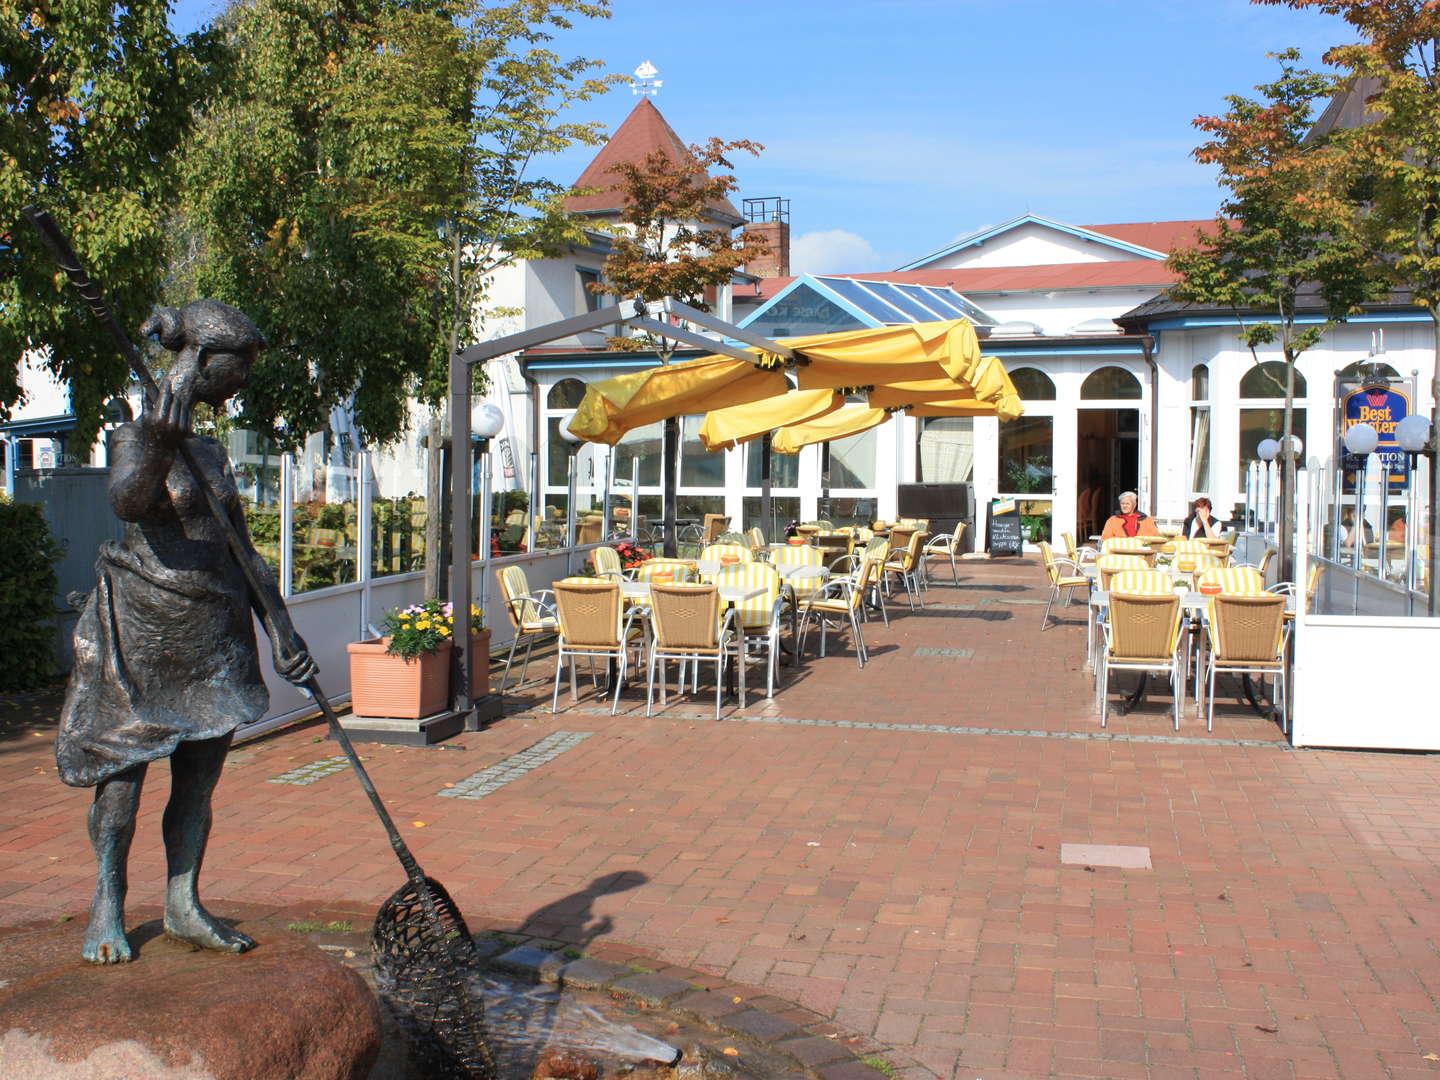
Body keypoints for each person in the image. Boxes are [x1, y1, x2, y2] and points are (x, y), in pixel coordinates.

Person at [56, 300, 315, 964]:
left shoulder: (210, 451)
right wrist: (160, 439)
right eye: (239, 366)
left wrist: (283, 630)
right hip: (142, 636)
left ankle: (182, 902)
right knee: (123, 784)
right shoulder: (140, 437)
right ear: (200, 360)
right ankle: (107, 903)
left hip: (213, 634)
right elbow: (128, 502)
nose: (244, 380)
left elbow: (242, 550)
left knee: (198, 783)